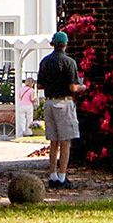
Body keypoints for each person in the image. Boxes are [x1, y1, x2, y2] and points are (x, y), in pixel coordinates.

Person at [36, 29, 83, 187]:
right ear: (65, 45)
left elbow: (40, 84)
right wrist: (82, 87)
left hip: (49, 102)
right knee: (65, 142)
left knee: (53, 142)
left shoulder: (44, 62)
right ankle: (62, 177)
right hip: (64, 102)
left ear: (53, 45)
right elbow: (72, 87)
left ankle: (52, 175)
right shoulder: (70, 62)